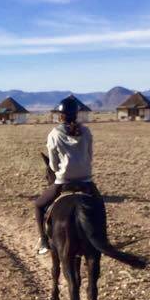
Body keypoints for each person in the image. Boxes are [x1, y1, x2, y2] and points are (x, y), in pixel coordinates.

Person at [34, 95, 96, 254]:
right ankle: (101, 238)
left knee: (39, 205)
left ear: (60, 115)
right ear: (76, 114)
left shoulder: (54, 133)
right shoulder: (86, 131)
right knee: (98, 206)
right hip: (87, 180)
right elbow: (90, 157)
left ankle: (43, 241)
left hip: (64, 181)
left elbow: (53, 165)